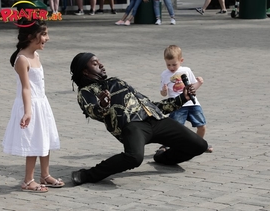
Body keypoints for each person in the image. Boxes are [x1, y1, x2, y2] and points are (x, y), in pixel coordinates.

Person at [69, 52, 212, 186]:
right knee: (134, 157)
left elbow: (152, 105)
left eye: (99, 62)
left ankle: (163, 158)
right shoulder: (85, 92)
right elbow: (93, 112)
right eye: (95, 63)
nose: (101, 65)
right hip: (133, 126)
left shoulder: (115, 82)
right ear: (85, 71)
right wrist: (103, 105)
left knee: (199, 145)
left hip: (156, 119)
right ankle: (87, 175)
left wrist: (182, 98)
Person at [2, 20, 64, 192]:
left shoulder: (35, 55)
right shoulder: (22, 59)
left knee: (44, 138)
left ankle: (45, 174)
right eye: (43, 34)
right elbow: (26, 88)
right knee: (33, 142)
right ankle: (28, 180)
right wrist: (28, 111)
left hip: (41, 103)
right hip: (30, 105)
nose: (47, 38)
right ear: (30, 36)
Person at [158, 45, 212, 153]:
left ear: (181, 60)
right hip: (177, 105)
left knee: (202, 126)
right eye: (168, 64)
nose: (171, 67)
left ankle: (199, 144)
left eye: (174, 64)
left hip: (193, 104)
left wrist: (199, 83)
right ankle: (166, 146)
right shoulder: (165, 74)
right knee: (175, 128)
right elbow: (163, 94)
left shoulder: (186, 70)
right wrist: (164, 91)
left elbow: (192, 89)